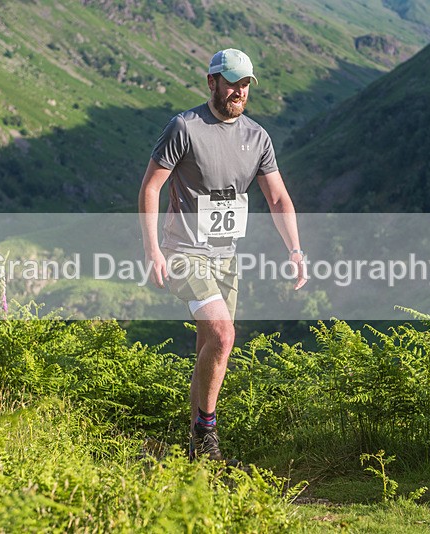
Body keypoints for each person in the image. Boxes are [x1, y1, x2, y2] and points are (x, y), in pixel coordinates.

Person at [138, 48, 307, 461]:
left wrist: (296, 249)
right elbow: (150, 187)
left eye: (246, 83)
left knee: (211, 348)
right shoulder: (185, 127)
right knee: (223, 334)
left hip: (226, 257)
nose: (239, 91)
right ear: (211, 81)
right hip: (183, 252)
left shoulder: (257, 137)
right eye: (232, 82)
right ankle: (209, 436)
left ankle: (195, 449)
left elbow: (278, 197)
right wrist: (153, 250)